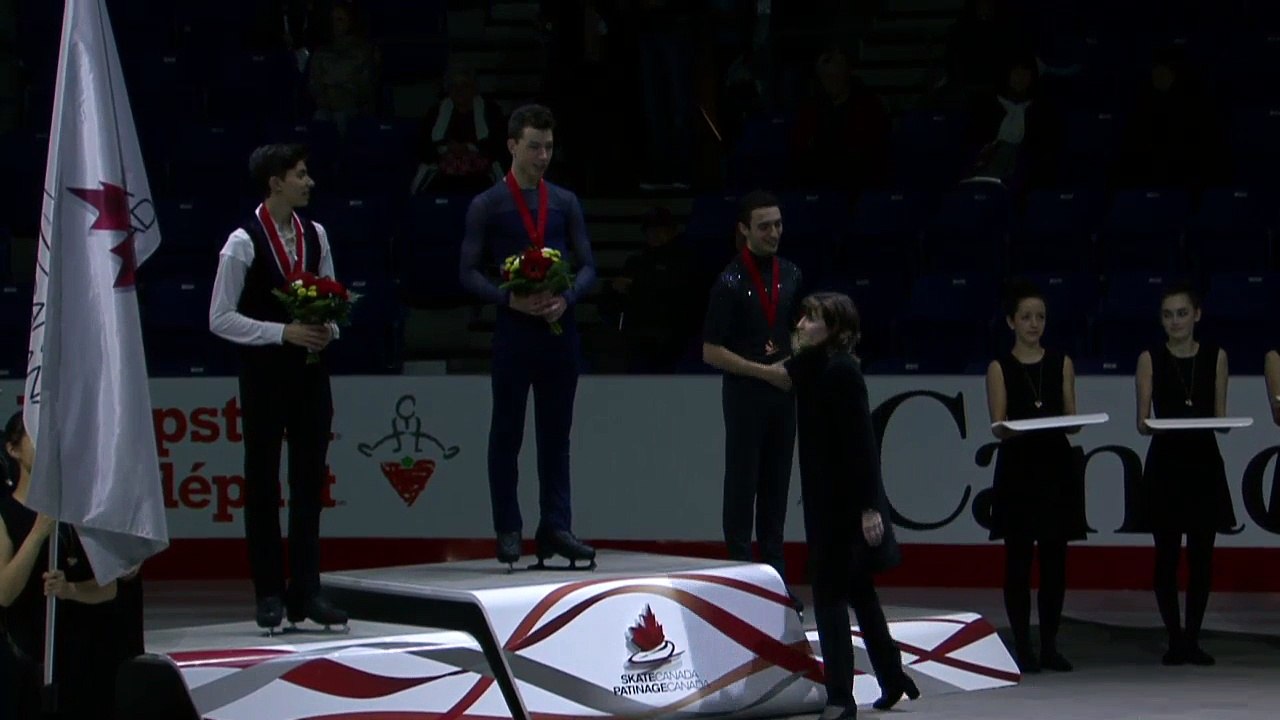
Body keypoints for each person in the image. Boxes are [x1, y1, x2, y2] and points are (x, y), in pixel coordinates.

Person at [209, 143, 347, 630]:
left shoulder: (316, 234)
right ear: (275, 183)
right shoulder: (242, 242)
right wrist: (281, 332)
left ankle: (306, 590)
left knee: (310, 484)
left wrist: (327, 329)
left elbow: (335, 302)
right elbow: (219, 318)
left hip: (311, 376)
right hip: (265, 378)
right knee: (263, 483)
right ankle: (268, 591)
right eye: (301, 174)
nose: (309, 182)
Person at [761, 293, 917, 719]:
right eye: (805, 317)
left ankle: (840, 698)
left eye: (813, 319)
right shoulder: (812, 365)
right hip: (822, 497)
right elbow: (778, 373)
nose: (803, 324)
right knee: (860, 593)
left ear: (837, 331)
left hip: (847, 503)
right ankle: (892, 675)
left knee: (829, 596)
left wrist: (870, 507)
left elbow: (863, 443)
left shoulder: (844, 371)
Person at [459, 104, 598, 569]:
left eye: (549, 147)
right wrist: (508, 299)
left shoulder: (564, 201)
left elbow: (589, 265)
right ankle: (509, 527)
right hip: (515, 332)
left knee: (557, 436)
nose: (543, 156)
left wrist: (568, 297)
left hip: (560, 331)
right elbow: (467, 271)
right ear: (513, 145)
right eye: (534, 147)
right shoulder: (488, 205)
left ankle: (556, 526)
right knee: (508, 432)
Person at [702, 190, 804, 614]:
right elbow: (710, 350)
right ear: (744, 230)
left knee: (777, 485)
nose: (774, 232)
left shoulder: (793, 274)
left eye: (778, 224)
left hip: (784, 393)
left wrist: (794, 362)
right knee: (743, 484)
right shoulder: (728, 281)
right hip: (747, 392)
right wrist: (767, 372)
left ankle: (776, 584)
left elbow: (802, 330)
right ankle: (740, 580)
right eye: (764, 226)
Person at [984, 281, 1086, 673]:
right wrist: (1028, 425)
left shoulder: (1061, 362)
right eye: (1026, 317)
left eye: (1039, 317)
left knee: (1055, 560)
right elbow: (999, 425)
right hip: (1019, 467)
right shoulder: (1000, 367)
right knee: (1019, 560)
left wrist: (1063, 422)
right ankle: (1022, 646)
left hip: (1056, 465)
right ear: (1011, 321)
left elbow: (1072, 421)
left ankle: (1049, 645)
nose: (1033, 324)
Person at [1135, 284, 1233, 666]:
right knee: (1167, 555)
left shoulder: (1215, 356)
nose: (1175, 321)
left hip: (1204, 462)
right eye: (1167, 314)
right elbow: (1143, 423)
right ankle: (1174, 638)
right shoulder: (1150, 358)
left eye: (1181, 312)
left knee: (1202, 556)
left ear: (1197, 315)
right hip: (1167, 463)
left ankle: (1192, 637)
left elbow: (1220, 420)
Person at [0, 412, 121, 719]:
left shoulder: (77, 512)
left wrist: (70, 590)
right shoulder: (5, 514)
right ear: (13, 449)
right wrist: (38, 533)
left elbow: (108, 588)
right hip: (24, 658)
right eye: (34, 437)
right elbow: (4, 593)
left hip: (78, 659)